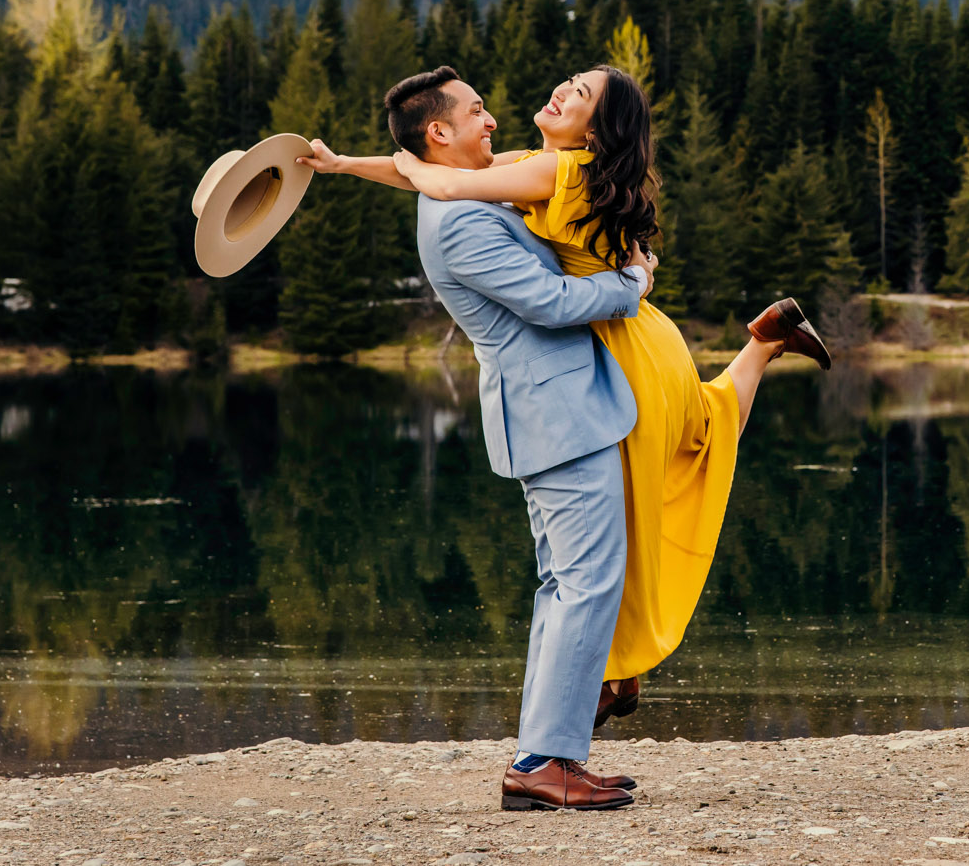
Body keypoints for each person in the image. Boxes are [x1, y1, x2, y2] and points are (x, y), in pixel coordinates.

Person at [299, 65, 828, 790]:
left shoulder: (493, 182)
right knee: (585, 579)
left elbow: (426, 175)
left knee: (572, 580)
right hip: (560, 413)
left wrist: (341, 166)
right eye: (478, 112)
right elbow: (548, 302)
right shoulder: (459, 220)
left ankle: (563, 733)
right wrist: (632, 282)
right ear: (438, 133)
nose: (494, 120)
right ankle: (550, 751)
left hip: (580, 400)